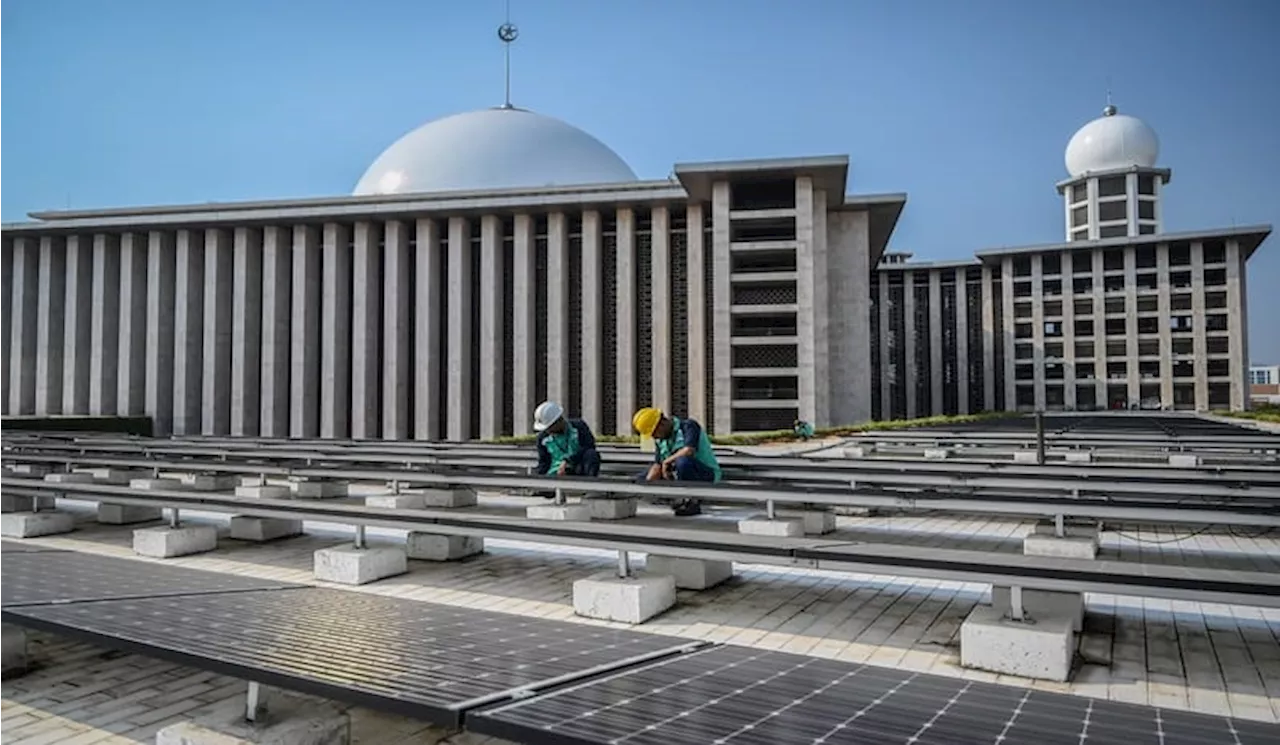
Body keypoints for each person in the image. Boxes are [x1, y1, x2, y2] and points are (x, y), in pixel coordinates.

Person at [631, 407, 721, 516]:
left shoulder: (688, 426)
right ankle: (672, 499)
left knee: (683, 462)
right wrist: (648, 483)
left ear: (661, 424)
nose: (654, 437)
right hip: (676, 473)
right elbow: (657, 464)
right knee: (639, 478)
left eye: (654, 433)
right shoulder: (660, 440)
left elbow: (689, 450)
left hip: (705, 474)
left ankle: (691, 502)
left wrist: (666, 462)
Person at [533, 401, 601, 480]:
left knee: (592, 454)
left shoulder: (579, 427)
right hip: (555, 473)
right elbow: (543, 462)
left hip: (578, 468)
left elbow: (589, 446)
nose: (548, 431)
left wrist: (568, 461)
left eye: (550, 427)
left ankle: (589, 485)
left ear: (558, 420)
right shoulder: (542, 438)